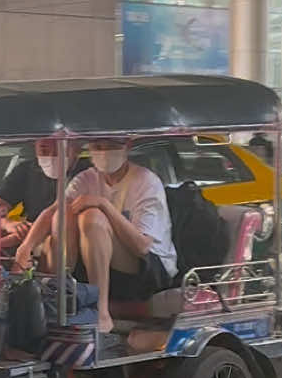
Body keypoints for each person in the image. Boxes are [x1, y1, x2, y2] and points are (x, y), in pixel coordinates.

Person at [15, 136, 177, 333]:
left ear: (127, 146)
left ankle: (100, 312)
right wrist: (26, 246)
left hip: (149, 268)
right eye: (98, 147)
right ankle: (59, 298)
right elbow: (52, 212)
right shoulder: (86, 178)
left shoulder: (145, 181)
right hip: (99, 264)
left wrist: (104, 205)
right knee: (63, 215)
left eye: (110, 146)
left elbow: (142, 246)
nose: (104, 152)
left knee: (92, 217)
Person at [0, 137, 86, 248]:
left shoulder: (87, 174)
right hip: (30, 245)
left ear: (77, 149)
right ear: (35, 145)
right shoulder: (26, 170)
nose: (52, 156)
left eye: (60, 150)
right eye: (44, 150)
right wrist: (6, 223)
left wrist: (27, 237)